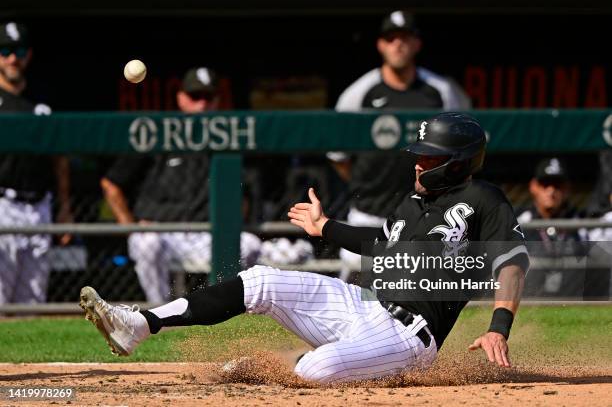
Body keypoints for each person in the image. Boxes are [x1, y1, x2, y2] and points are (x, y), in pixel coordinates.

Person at [80, 113, 528, 383]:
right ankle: (138, 324)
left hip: (409, 337)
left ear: (457, 163)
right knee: (260, 282)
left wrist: (499, 326)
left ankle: (278, 367)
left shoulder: (484, 200)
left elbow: (512, 261)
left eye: (428, 156)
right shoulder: (412, 201)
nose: (417, 161)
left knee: (317, 372)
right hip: (368, 307)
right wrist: (326, 227)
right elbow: (381, 246)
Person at [100, 67, 261, 303]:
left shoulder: (226, 139)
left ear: (217, 101)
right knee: (146, 241)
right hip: (163, 233)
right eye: (196, 97)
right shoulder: (159, 133)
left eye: (208, 97)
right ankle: (160, 312)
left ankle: (218, 309)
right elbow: (111, 184)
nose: (202, 105)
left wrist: (229, 224)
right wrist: (131, 227)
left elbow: (244, 196)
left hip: (208, 234)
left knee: (250, 244)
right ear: (181, 98)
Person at [330, 11, 471, 273]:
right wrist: (368, 184)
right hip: (369, 213)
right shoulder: (359, 93)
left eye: (405, 38)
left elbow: (461, 147)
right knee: (363, 299)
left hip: (425, 213)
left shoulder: (440, 91)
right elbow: (339, 157)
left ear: (417, 44)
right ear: (380, 44)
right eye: (390, 38)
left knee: (420, 299)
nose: (398, 44)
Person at [0, 21, 72, 304]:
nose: (12, 59)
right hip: (3, 203)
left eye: (18, 51)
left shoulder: (42, 99)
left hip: (40, 204)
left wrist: (65, 208)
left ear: (27, 55)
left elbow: (60, 158)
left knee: (33, 299)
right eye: (5, 51)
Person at [516, 158, 585, 297]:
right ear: (533, 186)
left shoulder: (581, 222)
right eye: (545, 184)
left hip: (573, 298)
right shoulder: (519, 222)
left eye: (557, 185)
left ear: (567, 188)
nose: (551, 190)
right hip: (528, 298)